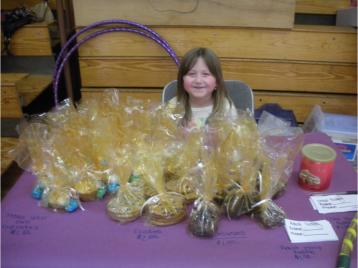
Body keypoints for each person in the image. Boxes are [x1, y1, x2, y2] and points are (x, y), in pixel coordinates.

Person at [167, 47, 237, 130]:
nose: (198, 80)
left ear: (217, 81)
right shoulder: (173, 107)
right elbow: (163, 138)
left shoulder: (226, 108)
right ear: (182, 80)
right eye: (192, 74)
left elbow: (235, 141)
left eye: (205, 74)